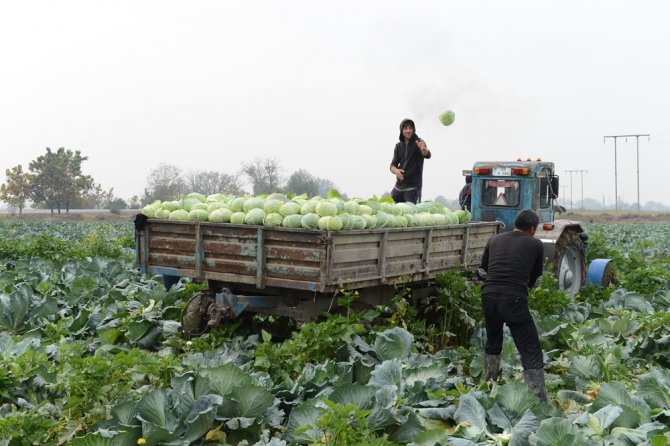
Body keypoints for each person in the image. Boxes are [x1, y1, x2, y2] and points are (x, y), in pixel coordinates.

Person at [478, 209, 547, 400]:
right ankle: (538, 397)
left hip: (489, 296)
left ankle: (489, 385)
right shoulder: (535, 244)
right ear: (532, 229)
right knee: (529, 347)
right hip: (514, 298)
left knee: (493, 340)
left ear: (515, 223)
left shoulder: (495, 240)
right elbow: (534, 279)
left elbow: (483, 270)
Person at [389, 119, 431, 203]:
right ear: (401, 130)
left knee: (412, 214)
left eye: (410, 128)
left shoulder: (419, 142)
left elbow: (427, 155)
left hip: (413, 189)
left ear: (413, 130)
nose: (408, 131)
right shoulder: (398, 146)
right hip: (398, 188)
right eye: (405, 128)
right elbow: (392, 166)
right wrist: (396, 171)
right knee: (393, 212)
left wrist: (423, 149)